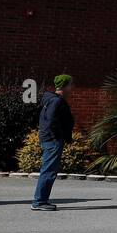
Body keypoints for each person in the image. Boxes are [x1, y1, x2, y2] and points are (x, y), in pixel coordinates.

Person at [32, 75, 75, 211]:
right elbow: (50, 121)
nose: (72, 87)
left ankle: (41, 200)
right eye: (70, 84)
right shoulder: (56, 101)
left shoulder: (50, 99)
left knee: (48, 170)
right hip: (53, 140)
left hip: (50, 139)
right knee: (49, 170)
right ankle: (40, 201)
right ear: (64, 86)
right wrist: (57, 137)